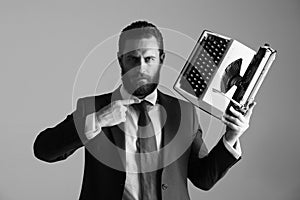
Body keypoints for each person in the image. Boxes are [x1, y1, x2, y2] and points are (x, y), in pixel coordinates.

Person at [33, 21, 256, 200]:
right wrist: (98, 120)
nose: (141, 67)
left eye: (149, 59)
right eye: (133, 58)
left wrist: (231, 136)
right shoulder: (92, 108)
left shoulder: (184, 113)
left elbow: (203, 179)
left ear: (161, 60)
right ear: (121, 61)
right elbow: (44, 150)